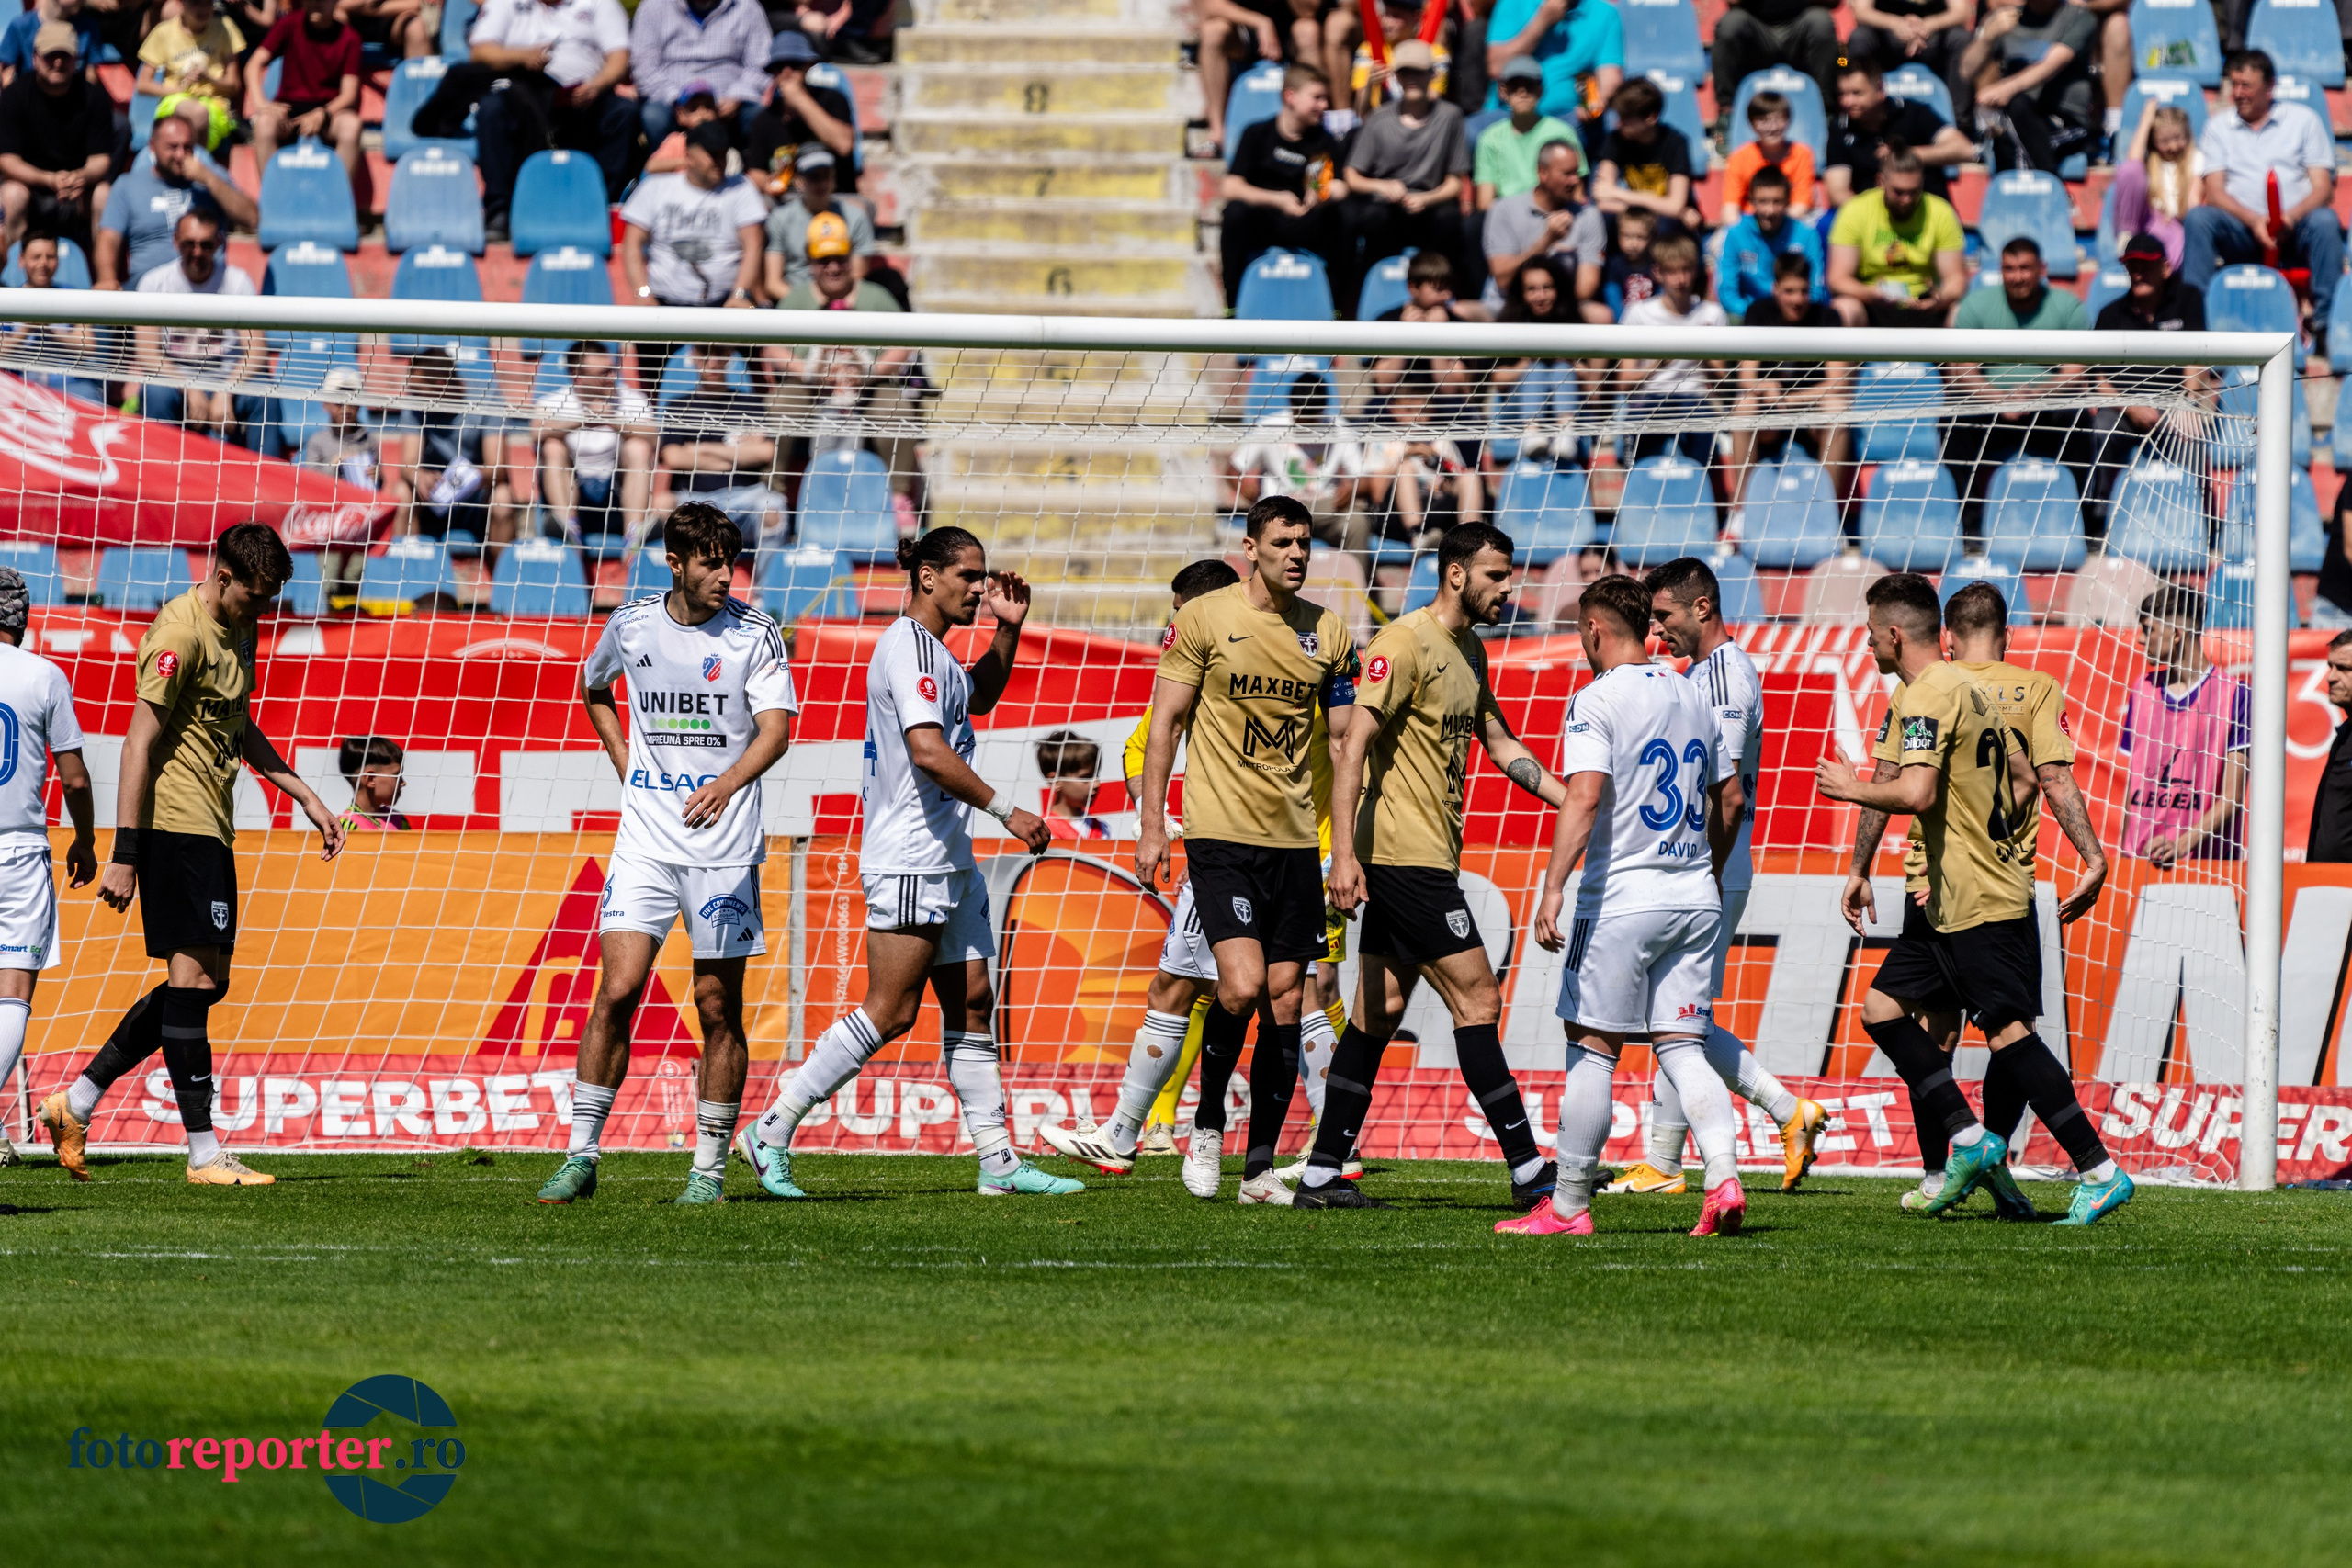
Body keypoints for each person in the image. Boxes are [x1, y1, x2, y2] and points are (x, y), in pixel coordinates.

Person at [738, 528, 1081, 1200]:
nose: (980, 587)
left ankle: (999, 1163)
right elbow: (927, 748)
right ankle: (771, 1128)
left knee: (974, 1002)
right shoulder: (903, 648)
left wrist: (1006, 634)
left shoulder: (941, 656)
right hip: (909, 857)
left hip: (947, 858)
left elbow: (976, 699)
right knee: (890, 1012)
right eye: (968, 574)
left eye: (983, 576)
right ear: (926, 576)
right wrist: (1006, 808)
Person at [1815, 575, 2133, 1226]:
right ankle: (1966, 1142)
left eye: (1873, 631)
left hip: (1974, 892)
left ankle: (2098, 1169)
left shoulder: (1930, 691)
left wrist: (1848, 789)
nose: (1869, 641)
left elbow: (1916, 793)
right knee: (1882, 1008)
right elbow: (2025, 776)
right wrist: (1987, 833)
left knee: (2008, 1033)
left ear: (1895, 634)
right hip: (1955, 888)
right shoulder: (1966, 688)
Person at [38, 525, 346, 1188]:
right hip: (174, 827)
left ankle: (77, 1102)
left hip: (214, 825)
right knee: (194, 985)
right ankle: (204, 1152)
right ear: (223, 575)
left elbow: (237, 726)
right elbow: (135, 742)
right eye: (255, 598)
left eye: (269, 601)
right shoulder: (179, 633)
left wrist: (308, 798)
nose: (261, 611)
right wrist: (126, 852)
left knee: (207, 984)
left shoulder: (241, 626)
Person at [1036, 558, 1349, 1176]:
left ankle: (1169, 1130)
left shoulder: (1225, 652)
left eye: (1175, 611)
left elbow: (1152, 739)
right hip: (1281, 850)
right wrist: (1164, 822)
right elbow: (1144, 744)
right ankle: (1154, 1129)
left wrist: (1169, 826)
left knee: (1256, 992)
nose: (1170, 626)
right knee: (1250, 990)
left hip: (1256, 852)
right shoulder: (1262, 653)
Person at [537, 504, 798, 1205]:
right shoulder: (632, 625)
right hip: (648, 840)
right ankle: (580, 1155)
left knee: (717, 1005)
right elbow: (594, 688)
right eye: (711, 562)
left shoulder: (754, 633)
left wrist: (726, 782)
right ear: (675, 562)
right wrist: (626, 760)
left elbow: (777, 730)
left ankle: (708, 1170)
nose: (724, 575)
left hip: (724, 845)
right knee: (616, 990)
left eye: (732, 562)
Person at [1303, 522, 1566, 1210]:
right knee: (1478, 998)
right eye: (1497, 575)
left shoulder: (1470, 650)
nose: (1509, 588)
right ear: (1456, 574)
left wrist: (1573, 800)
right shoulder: (1403, 643)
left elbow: (1501, 741)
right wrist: (1344, 855)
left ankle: (1321, 1173)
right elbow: (1351, 742)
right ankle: (1528, 1169)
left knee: (1377, 1013)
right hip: (1402, 860)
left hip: (1421, 857)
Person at [1499, 573, 1748, 1239]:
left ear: (1594, 630)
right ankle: (1722, 1176)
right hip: (1695, 895)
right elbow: (1730, 798)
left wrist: (1553, 885)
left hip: (1620, 898)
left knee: (1592, 1049)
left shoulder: (1594, 699)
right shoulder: (1694, 691)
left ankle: (1570, 1204)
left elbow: (1582, 796)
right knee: (1684, 1047)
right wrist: (1705, 871)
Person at [1131, 495, 1357, 1205]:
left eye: (1306, 542)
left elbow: (1349, 745)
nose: (1297, 553)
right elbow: (1165, 724)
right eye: (1283, 541)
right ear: (1250, 546)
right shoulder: (1205, 618)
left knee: (1288, 1001)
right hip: (1220, 834)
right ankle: (1205, 1126)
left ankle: (1257, 1169)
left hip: (1294, 841)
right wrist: (1151, 824)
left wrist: (1343, 850)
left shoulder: (1331, 634)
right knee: (1239, 986)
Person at [1592, 558, 1832, 1197]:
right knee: (1674, 1015)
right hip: (1703, 864)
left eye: (1665, 616)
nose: (1656, 631)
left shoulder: (1725, 676)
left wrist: (1706, 868)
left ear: (1702, 608)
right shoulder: (1699, 673)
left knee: (1678, 1020)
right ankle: (1694, 1149)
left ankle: (1728, 1135)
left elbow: (1724, 795)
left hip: (1711, 864)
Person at [0, 566, 93, 1168]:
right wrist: (85, 839)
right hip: (18, 852)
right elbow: (76, 775)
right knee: (12, 996)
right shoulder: (44, 676)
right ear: (24, 618)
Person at [2182, 49, 2343, 346]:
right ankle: (2195, 325)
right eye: (2234, 85)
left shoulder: (2303, 120)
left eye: (2247, 86)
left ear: (2270, 88)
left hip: (2295, 229)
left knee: (2325, 221)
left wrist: (2289, 218)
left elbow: (2323, 187)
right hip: (2242, 230)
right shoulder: (2218, 127)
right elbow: (2215, 192)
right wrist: (2256, 221)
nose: (2238, 93)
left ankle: (2327, 324)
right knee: (2199, 219)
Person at [458, 0, 638, 244]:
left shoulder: (600, 3)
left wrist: (597, 85)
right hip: (524, 95)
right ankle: (499, 210)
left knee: (623, 112)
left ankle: (602, 207)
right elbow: (480, 51)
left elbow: (618, 57)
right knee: (492, 109)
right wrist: (522, 57)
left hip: (585, 95)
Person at [769, 212, 918, 495]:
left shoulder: (875, 296)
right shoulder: (796, 299)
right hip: (809, 387)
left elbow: (903, 344)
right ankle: (772, 494)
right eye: (823, 260)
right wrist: (812, 374)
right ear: (810, 262)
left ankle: (898, 499)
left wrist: (869, 374)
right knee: (781, 405)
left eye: (840, 258)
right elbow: (772, 347)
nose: (833, 267)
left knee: (896, 410)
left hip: (869, 386)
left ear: (852, 257)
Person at [1947, 235, 2087, 531]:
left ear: (2042, 269)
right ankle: (1970, 529)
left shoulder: (2068, 307)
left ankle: (2087, 524)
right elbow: (1964, 372)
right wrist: (1998, 399)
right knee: (1952, 422)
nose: (2017, 277)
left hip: (2047, 408)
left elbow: (2076, 373)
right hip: (1992, 408)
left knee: (2082, 422)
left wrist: (2035, 394)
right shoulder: (1976, 306)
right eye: (2009, 269)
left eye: (2025, 268)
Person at [618, 118, 765, 381]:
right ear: (689, 154)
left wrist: (741, 294)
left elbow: (753, 244)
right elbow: (632, 243)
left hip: (725, 303)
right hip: (664, 304)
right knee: (651, 380)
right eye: (712, 154)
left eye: (723, 153)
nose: (719, 160)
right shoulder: (656, 188)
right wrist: (642, 293)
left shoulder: (741, 188)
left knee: (752, 368)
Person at [2119, 585, 2250, 867]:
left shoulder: (2235, 695)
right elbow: (2132, 789)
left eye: (2147, 629)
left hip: (2204, 864)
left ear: (2176, 634)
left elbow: (2232, 797)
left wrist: (2180, 845)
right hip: (2137, 863)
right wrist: (2123, 855)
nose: (2140, 640)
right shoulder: (2141, 690)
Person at [2086, 232, 2207, 524]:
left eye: (2146, 265)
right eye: (2132, 265)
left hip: (2173, 402)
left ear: (2165, 268)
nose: (2138, 272)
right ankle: (2096, 519)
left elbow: (2196, 359)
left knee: (2190, 430)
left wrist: (2187, 403)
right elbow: (2098, 380)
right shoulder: (2109, 315)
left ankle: (2196, 520)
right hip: (2123, 408)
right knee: (2101, 430)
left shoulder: (2188, 299)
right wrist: (2132, 407)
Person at [1340, 39, 1470, 310]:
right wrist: (1383, 186)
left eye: (1419, 72)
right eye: (1405, 73)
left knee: (1451, 221)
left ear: (1432, 75)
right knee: (1370, 219)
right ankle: (1364, 304)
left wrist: (1427, 199)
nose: (1412, 80)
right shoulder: (1378, 118)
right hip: (1387, 208)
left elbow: (1455, 181)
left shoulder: (1450, 117)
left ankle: (1453, 299)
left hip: (1430, 205)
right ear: (1396, 76)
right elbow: (1352, 175)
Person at [1727, 250, 1850, 513]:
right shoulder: (1759, 312)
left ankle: (1829, 513)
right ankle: (1741, 512)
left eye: (1803, 291)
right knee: (1743, 407)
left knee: (1838, 410)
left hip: (1812, 417)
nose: (1797, 299)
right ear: (1775, 288)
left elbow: (1838, 383)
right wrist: (1766, 386)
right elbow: (1746, 378)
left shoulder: (1828, 317)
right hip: (1771, 417)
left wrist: (1792, 398)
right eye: (1789, 291)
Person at [1217, 63, 1340, 312]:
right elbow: (1230, 186)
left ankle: (1335, 307)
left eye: (1325, 98)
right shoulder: (1257, 133)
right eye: (1317, 98)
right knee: (1235, 213)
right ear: (1290, 97)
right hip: (1265, 219)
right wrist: (1277, 199)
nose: (1324, 106)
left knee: (1344, 216)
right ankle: (1233, 306)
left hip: (1304, 221)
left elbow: (1331, 184)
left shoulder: (1322, 139)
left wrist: (1320, 193)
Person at [133, 209, 263, 443]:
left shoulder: (237, 281)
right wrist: (189, 387)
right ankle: (157, 474)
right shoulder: (154, 283)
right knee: (155, 392)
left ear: (219, 243)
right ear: (175, 242)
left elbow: (257, 351)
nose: (196, 252)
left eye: (205, 245)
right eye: (189, 244)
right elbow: (146, 353)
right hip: (174, 383)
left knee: (264, 394)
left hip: (227, 381)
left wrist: (227, 390)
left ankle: (267, 478)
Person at [94, 112, 254, 291]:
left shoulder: (211, 179)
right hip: (148, 293)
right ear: (152, 147)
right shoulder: (128, 185)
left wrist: (209, 179)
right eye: (173, 147)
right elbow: (109, 239)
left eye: (187, 147)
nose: (180, 155)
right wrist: (106, 279)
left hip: (208, 287)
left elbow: (252, 219)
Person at [384, 347, 520, 552]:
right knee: (402, 492)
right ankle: (407, 577)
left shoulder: (488, 398)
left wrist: (458, 481)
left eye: (417, 388)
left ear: (440, 384)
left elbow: (498, 469)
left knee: (503, 497)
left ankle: (501, 581)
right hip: (431, 493)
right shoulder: (415, 401)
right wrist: (419, 475)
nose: (411, 393)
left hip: (475, 496)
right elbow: (408, 463)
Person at [1223, 374, 1368, 564]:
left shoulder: (1340, 430)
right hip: (1280, 507)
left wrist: (1351, 487)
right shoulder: (1270, 428)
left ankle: (1357, 590)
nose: (1306, 421)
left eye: (1312, 417)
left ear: (1323, 409)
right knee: (1261, 529)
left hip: (1326, 507)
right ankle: (1260, 591)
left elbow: (1363, 478)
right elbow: (1232, 469)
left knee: (1357, 523)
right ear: (1292, 406)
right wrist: (1243, 487)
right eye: (1301, 415)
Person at [533, 340, 657, 558]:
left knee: (638, 447)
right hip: (574, 489)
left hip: (617, 492)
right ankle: (568, 530)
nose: (612, 378)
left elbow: (653, 435)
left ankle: (634, 536)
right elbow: (536, 431)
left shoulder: (631, 398)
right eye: (604, 373)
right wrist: (583, 418)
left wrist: (612, 420)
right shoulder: (555, 401)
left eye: (613, 371)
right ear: (577, 376)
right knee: (552, 447)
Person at [0, 22, 111, 254]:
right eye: (51, 55)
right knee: (10, 195)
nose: (58, 62)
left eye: (64, 55)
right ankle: (6, 280)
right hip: (30, 187)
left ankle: (104, 280)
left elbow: (101, 159)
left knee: (104, 195)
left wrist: (78, 177)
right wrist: (50, 179)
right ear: (35, 58)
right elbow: (7, 161)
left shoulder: (95, 97)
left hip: (78, 190)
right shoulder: (14, 96)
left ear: (76, 58)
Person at [1826, 146, 1967, 327]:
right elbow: (1837, 279)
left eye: (1913, 191)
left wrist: (1940, 298)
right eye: (1899, 192)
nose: (1906, 200)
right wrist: (1871, 294)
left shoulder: (1941, 212)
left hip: (1925, 305)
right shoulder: (1855, 211)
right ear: (1881, 181)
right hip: (1872, 305)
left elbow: (1956, 278)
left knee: (1962, 313)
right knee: (1844, 308)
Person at [657, 345, 784, 547]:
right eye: (704, 353)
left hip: (744, 496)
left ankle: (766, 579)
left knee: (772, 510)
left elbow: (766, 452)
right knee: (661, 504)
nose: (712, 360)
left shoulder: (750, 404)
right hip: (691, 498)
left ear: (730, 357)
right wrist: (738, 455)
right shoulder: (677, 406)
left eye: (720, 353)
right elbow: (674, 457)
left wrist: (700, 450)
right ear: (693, 357)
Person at [1613, 231, 1723, 464]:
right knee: (1640, 457)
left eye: (1686, 269)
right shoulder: (1639, 313)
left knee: (1703, 421)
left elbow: (1721, 383)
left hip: (1695, 399)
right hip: (1650, 399)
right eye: (1672, 271)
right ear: (1657, 273)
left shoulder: (1712, 314)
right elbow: (1624, 383)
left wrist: (1702, 353)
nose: (1681, 279)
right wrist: (1658, 364)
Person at [245, 0, 366, 210]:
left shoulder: (350, 38)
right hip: (289, 109)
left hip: (328, 110)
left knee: (352, 126)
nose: (316, 5)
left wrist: (323, 114)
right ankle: (273, 203)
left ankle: (336, 205)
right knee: (264, 124)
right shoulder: (289, 23)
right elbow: (253, 64)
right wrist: (261, 104)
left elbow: (349, 94)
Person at [1962, 0, 2100, 173]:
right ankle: (2051, 191)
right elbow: (1967, 70)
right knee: (2010, 126)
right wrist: (1986, 38)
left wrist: (2006, 88)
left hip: (2064, 123)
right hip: (2016, 120)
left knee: (2014, 127)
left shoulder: (2079, 17)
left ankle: (2049, 186)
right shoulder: (2008, 18)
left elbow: (2053, 64)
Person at [1478, 0, 1619, 159]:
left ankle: (1601, 182)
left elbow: (1610, 77)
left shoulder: (1605, 13)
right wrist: (1543, 20)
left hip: (1570, 119)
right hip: (1508, 114)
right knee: (1469, 132)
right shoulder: (1511, 3)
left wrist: (1595, 105)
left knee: (1612, 123)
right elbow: (1496, 68)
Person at [1362, 365, 1483, 547]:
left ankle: (1471, 539)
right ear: (1394, 410)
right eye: (1410, 411)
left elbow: (1457, 478)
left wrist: (1442, 479)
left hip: (1437, 507)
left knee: (1470, 476)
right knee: (1407, 467)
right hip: (1395, 516)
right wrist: (1405, 456)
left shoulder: (1441, 442)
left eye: (1424, 411)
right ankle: (1416, 535)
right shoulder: (1383, 443)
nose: (1418, 418)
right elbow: (1377, 494)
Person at [1823, 59, 1973, 205]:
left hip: (1928, 212)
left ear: (1880, 90)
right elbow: (1838, 193)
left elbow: (1964, 150)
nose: (1847, 102)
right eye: (1842, 94)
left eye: (1857, 93)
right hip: (1873, 220)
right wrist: (1870, 216)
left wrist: (1906, 156)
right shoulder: (1840, 128)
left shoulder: (1912, 113)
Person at [630, 0, 772, 148]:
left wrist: (736, 96)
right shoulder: (653, 7)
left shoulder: (747, 7)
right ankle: (666, 166)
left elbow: (762, 64)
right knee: (653, 116)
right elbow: (643, 67)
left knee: (758, 116)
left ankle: (749, 169)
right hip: (673, 100)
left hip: (730, 101)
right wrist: (678, 102)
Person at [1480, 134, 1602, 304]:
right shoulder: (1504, 209)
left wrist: (1547, 306)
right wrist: (1547, 240)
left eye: (1576, 173)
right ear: (1542, 173)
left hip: (1564, 307)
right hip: (1508, 304)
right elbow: (1503, 280)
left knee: (1600, 316)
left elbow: (1586, 288)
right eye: (1567, 174)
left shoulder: (1588, 215)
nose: (1575, 180)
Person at [742, 29, 854, 196]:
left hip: (834, 196)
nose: (786, 72)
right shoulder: (765, 119)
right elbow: (755, 173)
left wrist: (800, 101)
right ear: (772, 72)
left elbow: (844, 145)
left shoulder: (832, 99)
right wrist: (772, 184)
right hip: (786, 201)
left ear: (808, 66)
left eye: (794, 65)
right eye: (780, 67)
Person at [1200, 0, 1317, 152]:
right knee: (1213, 31)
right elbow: (1211, 5)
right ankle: (1217, 133)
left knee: (1308, 30)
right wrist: (1260, 22)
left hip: (1291, 30)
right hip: (1245, 29)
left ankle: (1314, 130)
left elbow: (1310, 10)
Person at [1716, 164, 1825, 319]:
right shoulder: (1735, 233)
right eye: (1763, 201)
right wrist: (1758, 315)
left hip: (1797, 314)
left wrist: (1789, 314)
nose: (1770, 210)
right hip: (1750, 315)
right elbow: (1727, 292)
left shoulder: (1807, 234)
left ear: (1788, 201)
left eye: (1777, 201)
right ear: (1752, 201)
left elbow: (1816, 289)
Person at [1474, 55, 1580, 211]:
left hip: (1553, 212)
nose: (1522, 92)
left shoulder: (1563, 133)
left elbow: (1576, 191)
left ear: (1540, 91)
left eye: (1529, 86)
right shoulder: (1489, 138)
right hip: (1507, 216)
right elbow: (1484, 202)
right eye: (1514, 86)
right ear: (1503, 92)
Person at [1711, 0, 1840, 127]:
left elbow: (1834, 2)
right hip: (1756, 29)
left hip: (1801, 26)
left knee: (1821, 23)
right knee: (1730, 24)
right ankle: (1727, 112)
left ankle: (1825, 111)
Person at [136, 0, 243, 152]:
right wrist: (180, 89)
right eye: (195, 3)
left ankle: (191, 167)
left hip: (215, 106)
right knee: (197, 112)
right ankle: (195, 167)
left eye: (207, 3)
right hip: (174, 102)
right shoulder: (163, 32)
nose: (203, 9)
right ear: (181, 4)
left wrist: (208, 77)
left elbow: (234, 86)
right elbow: (142, 85)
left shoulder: (225, 28)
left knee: (200, 112)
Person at [6, 230, 100, 402]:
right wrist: (28, 326)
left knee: (91, 397)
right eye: (36, 257)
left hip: (68, 383)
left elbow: (88, 346)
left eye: (50, 257)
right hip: (20, 385)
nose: (43, 263)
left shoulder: (73, 295)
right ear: (21, 260)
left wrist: (49, 329)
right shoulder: (8, 300)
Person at [1590, 74, 1693, 231]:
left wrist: (1617, 193)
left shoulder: (1675, 143)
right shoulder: (1615, 139)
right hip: (1632, 221)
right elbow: (1602, 199)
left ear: (1651, 118)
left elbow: (1675, 206)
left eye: (1626, 118)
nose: (1618, 123)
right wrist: (1662, 208)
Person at [764, 146, 872, 293]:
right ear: (798, 181)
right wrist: (808, 304)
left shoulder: (855, 216)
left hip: (843, 299)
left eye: (826, 175)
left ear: (834, 178)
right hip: (796, 299)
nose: (821, 183)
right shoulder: (780, 219)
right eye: (814, 176)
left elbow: (858, 274)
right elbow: (773, 283)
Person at [2110, 101, 2201, 271]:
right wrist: (2147, 119)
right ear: (2153, 141)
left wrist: (2180, 217)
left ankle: (2161, 278)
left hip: (2175, 222)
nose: (2173, 146)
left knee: (2181, 244)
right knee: (2130, 169)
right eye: (2164, 141)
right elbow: (2132, 162)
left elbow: (2193, 200)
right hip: (2146, 220)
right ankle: (2127, 237)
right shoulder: (2149, 160)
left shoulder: (2195, 158)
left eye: (2178, 138)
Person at [1845, 0, 1975, 114]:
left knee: (1961, 39)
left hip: (1932, 36)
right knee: (1860, 38)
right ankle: (1859, 117)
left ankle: (1961, 123)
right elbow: (1861, 12)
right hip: (1886, 35)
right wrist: (1894, 23)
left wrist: (1930, 24)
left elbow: (1962, 13)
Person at [1718, 89, 1819, 227]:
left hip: (1791, 223)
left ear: (1788, 120)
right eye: (1763, 121)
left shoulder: (1801, 154)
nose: (1772, 127)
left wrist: (1772, 227)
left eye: (1778, 119)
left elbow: (1801, 205)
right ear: (1752, 123)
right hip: (1751, 224)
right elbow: (1730, 210)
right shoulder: (1739, 157)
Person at [2305, 632, 2352, 859]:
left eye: (2343, 668)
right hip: (2327, 884)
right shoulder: (2344, 734)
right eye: (2330, 667)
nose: (2331, 677)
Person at [298, 366, 379, 492]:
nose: (346, 408)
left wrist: (377, 477)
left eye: (352, 401)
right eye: (339, 401)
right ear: (326, 404)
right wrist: (335, 464)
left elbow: (377, 485)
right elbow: (310, 481)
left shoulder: (370, 441)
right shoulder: (317, 441)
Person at [0, 0, 107, 88]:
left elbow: (91, 76)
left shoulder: (88, 28)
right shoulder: (21, 26)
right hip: (30, 103)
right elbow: (7, 76)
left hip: (75, 105)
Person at [1033, 731, 1110, 839]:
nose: (1097, 784)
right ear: (1056, 781)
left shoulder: (1102, 829)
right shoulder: (1041, 832)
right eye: (1086, 777)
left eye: (1096, 776)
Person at [337, 736, 412, 832]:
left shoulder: (399, 820)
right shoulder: (345, 827)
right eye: (397, 775)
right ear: (370, 779)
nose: (403, 783)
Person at [1596, 205, 1657, 319]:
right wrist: (1623, 322)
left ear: (1652, 238)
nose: (1633, 244)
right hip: (1623, 323)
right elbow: (1612, 296)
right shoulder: (1615, 265)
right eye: (1627, 236)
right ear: (1618, 235)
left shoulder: (1656, 265)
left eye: (1640, 237)